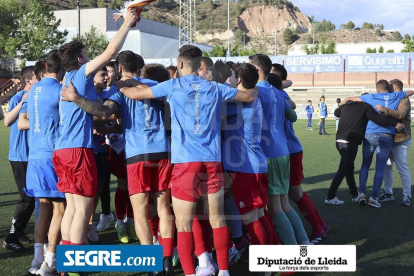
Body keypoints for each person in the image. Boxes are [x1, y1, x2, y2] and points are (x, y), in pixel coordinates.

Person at [117, 45, 257, 276]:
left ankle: (191, 273)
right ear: (199, 63)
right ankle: (223, 271)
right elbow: (249, 95)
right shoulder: (214, 87)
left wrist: (119, 82)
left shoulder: (172, 85)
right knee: (218, 219)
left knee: (183, 223)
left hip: (185, 163)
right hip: (212, 161)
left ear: (180, 64)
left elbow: (133, 94)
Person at [61, 51, 175, 275]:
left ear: (120, 69)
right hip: (163, 152)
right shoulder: (156, 84)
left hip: (137, 156)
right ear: (140, 67)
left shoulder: (119, 88)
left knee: (140, 211)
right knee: (163, 207)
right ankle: (168, 259)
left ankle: (153, 264)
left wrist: (76, 99)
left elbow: (104, 112)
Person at [54, 9, 137, 259]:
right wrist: (128, 23)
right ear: (80, 60)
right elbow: (110, 52)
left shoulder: (71, 79)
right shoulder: (79, 75)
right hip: (77, 150)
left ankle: (66, 259)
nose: (91, 58)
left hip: (63, 150)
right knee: (82, 209)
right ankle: (75, 262)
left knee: (72, 209)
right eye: (86, 55)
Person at [249, 55, 310, 246]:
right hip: (283, 151)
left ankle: (293, 253)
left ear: (257, 69)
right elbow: (292, 116)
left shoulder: (255, 92)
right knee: (284, 204)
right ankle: (304, 242)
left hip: (269, 154)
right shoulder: (277, 91)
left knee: (275, 208)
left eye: (249, 65)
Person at [19, 51, 67, 276]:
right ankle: (50, 260)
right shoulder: (59, 90)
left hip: (35, 156)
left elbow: (22, 121)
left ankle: (37, 259)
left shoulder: (31, 90)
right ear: (60, 68)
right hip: (52, 155)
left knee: (44, 206)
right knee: (60, 208)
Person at [271, 63, 329, 245]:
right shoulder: (279, 93)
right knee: (293, 194)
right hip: (288, 149)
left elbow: (291, 103)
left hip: (287, 150)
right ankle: (320, 225)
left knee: (294, 194)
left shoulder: (277, 94)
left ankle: (317, 228)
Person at [222, 63, 277, 249]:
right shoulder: (254, 97)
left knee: (252, 219)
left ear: (238, 79)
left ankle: (263, 262)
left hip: (246, 168)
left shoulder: (237, 102)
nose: (228, 79)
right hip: (258, 163)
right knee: (261, 215)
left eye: (231, 76)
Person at [341, 80, 414, 207]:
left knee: (365, 165)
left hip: (371, 135)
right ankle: (375, 197)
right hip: (386, 136)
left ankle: (362, 194)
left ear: (378, 89)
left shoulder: (371, 96)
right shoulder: (396, 96)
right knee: (382, 167)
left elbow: (349, 99)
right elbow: (411, 91)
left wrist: (341, 105)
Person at [325, 97, 401, 205]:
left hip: (339, 140)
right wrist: (394, 124)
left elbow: (337, 112)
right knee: (343, 169)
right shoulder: (366, 106)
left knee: (349, 168)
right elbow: (377, 118)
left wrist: (345, 103)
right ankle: (330, 196)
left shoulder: (347, 106)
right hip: (350, 142)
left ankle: (355, 195)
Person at [2, 66, 37, 252]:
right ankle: (11, 238)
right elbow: (7, 121)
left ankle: (20, 232)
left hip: (31, 155)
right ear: (28, 81)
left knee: (32, 197)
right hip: (20, 155)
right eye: (36, 78)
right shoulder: (19, 97)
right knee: (27, 198)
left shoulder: (35, 96)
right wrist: (22, 102)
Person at [87, 67, 113, 243]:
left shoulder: (111, 97)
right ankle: (87, 224)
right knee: (88, 190)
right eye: (102, 74)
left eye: (107, 74)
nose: (106, 77)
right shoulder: (86, 96)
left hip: (106, 150)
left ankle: (91, 223)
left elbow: (114, 117)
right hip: (89, 149)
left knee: (100, 188)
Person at [377, 79, 412, 206]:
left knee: (402, 167)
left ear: (395, 89)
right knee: (387, 167)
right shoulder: (393, 99)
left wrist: (384, 110)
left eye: (390, 88)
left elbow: (401, 114)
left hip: (401, 139)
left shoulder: (404, 100)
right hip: (389, 139)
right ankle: (388, 193)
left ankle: (407, 195)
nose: (388, 90)